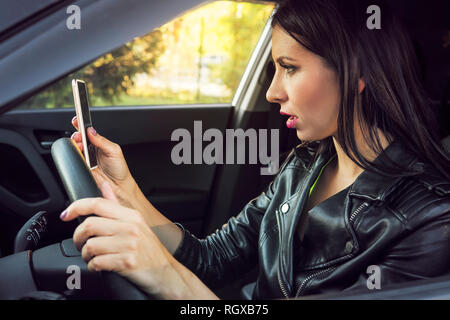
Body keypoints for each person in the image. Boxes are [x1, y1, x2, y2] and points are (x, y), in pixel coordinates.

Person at [62, 0, 450, 299]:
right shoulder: (305, 165)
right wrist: (126, 190)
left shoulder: (431, 219)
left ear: (357, 73)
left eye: (290, 68)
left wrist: (166, 276)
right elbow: (211, 260)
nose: (271, 92)